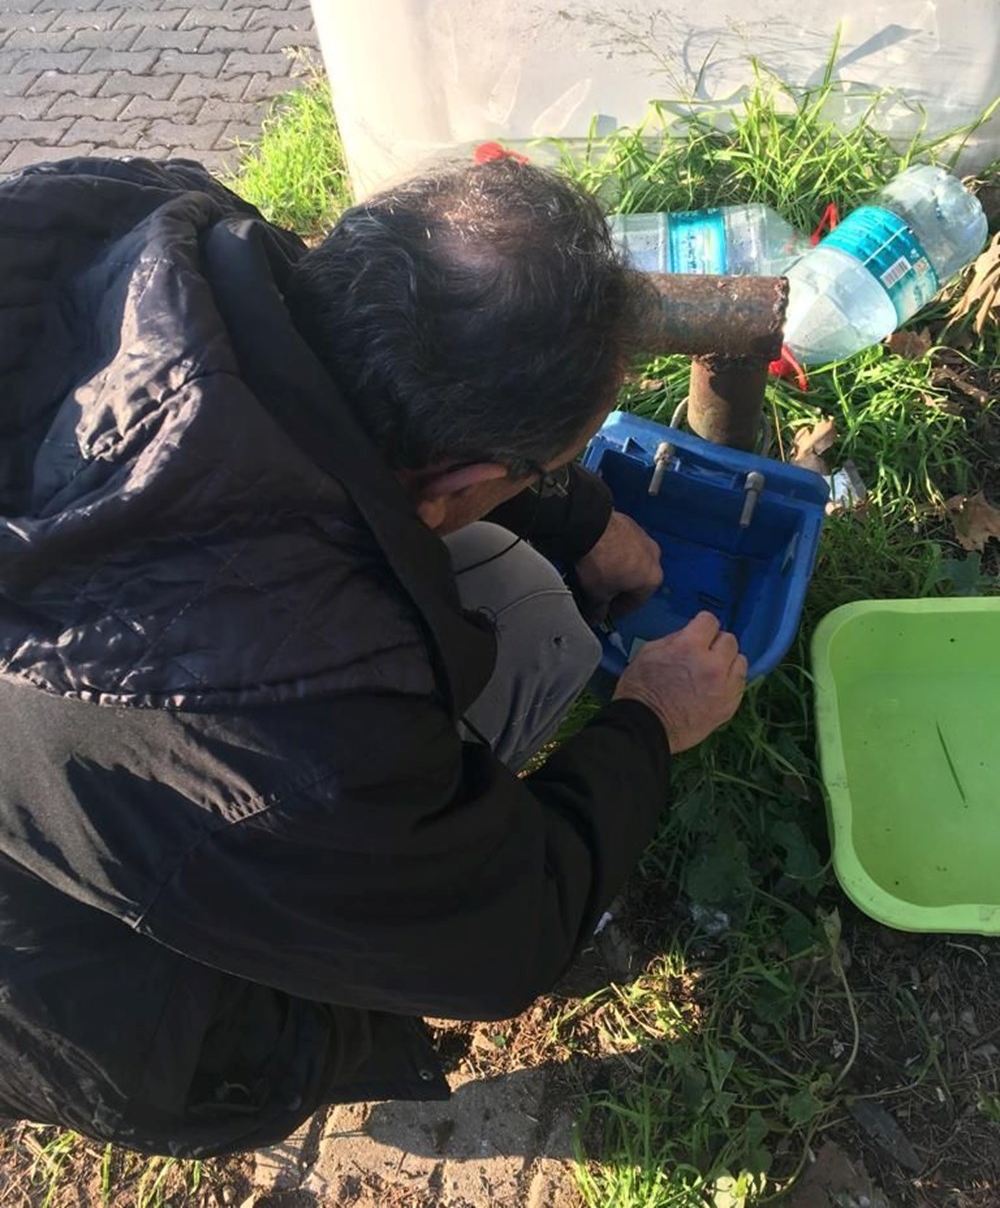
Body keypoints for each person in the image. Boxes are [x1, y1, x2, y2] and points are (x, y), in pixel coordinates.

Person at [0, 154, 746, 1158]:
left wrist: (576, 511)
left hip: (59, 760)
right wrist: (651, 719)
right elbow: (505, 938)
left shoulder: (148, 224)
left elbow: (373, 397)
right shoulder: (307, 743)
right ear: (472, 475)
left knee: (518, 596)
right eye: (540, 469)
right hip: (97, 1011)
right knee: (533, 640)